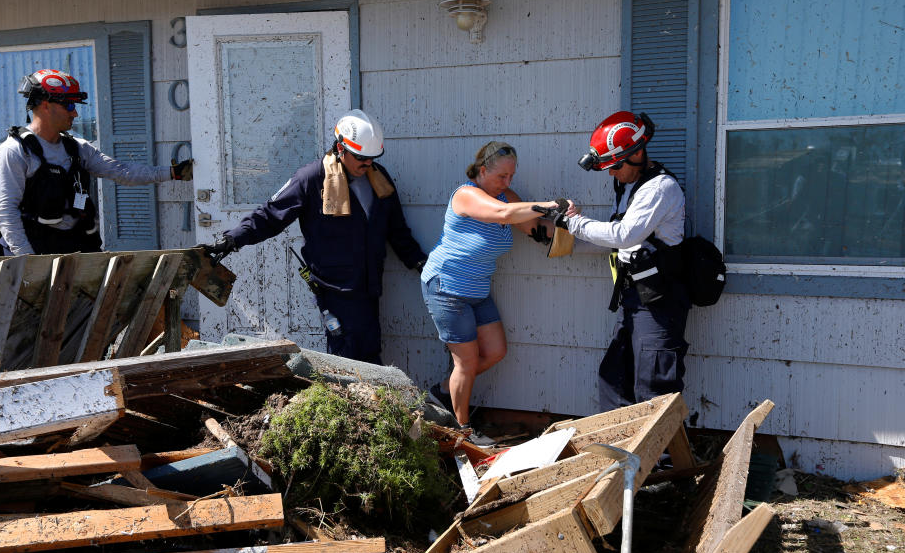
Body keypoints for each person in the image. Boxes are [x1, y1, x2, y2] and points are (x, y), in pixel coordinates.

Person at [201, 109, 427, 365]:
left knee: (369, 350)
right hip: (334, 287)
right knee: (348, 357)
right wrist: (232, 239)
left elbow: (396, 229)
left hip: (369, 284)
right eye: (361, 158)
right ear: (341, 148)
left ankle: (364, 403)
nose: (367, 165)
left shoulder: (378, 178)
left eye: (372, 159)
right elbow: (271, 214)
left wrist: (418, 261)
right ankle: (347, 403)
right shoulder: (312, 179)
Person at [542, 111, 689, 411]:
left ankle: (659, 458)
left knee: (654, 388)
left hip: (659, 301)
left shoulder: (659, 188)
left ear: (637, 154)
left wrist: (573, 223)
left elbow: (624, 235)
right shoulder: (629, 187)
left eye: (616, 166)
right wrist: (560, 240)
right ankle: (622, 451)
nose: (612, 173)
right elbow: (615, 242)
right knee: (614, 379)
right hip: (634, 295)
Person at [420, 142, 565, 444]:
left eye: (512, 176)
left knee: (495, 351)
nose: (508, 183)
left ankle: (442, 393)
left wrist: (570, 223)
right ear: (482, 170)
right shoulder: (466, 195)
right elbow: (501, 214)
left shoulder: (507, 197)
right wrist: (548, 204)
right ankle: (461, 433)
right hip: (447, 286)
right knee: (467, 362)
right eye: (502, 176)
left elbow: (535, 228)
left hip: (477, 289)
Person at [0, 68, 193, 256]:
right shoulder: (15, 152)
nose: (75, 113)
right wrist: (27, 260)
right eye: (69, 105)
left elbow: (121, 171)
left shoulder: (77, 148)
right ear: (45, 105)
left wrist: (172, 173)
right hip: (35, 252)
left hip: (72, 248)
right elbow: (4, 211)